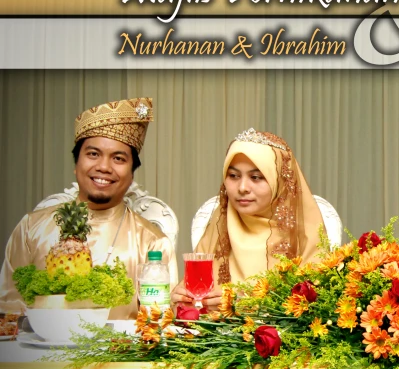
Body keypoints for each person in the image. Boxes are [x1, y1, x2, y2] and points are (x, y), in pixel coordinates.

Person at [0, 98, 177, 319]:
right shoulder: (31, 229)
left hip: (119, 352)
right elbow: (8, 313)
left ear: (132, 174)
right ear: (76, 165)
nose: (103, 167)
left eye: (118, 158)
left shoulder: (152, 242)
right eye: (93, 154)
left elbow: (158, 323)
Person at [171, 128, 324, 309]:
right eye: (233, 176)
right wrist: (182, 301)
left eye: (256, 177)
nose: (242, 187)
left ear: (281, 182)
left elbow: (317, 309)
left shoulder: (304, 234)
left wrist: (240, 306)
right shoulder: (218, 228)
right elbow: (194, 303)